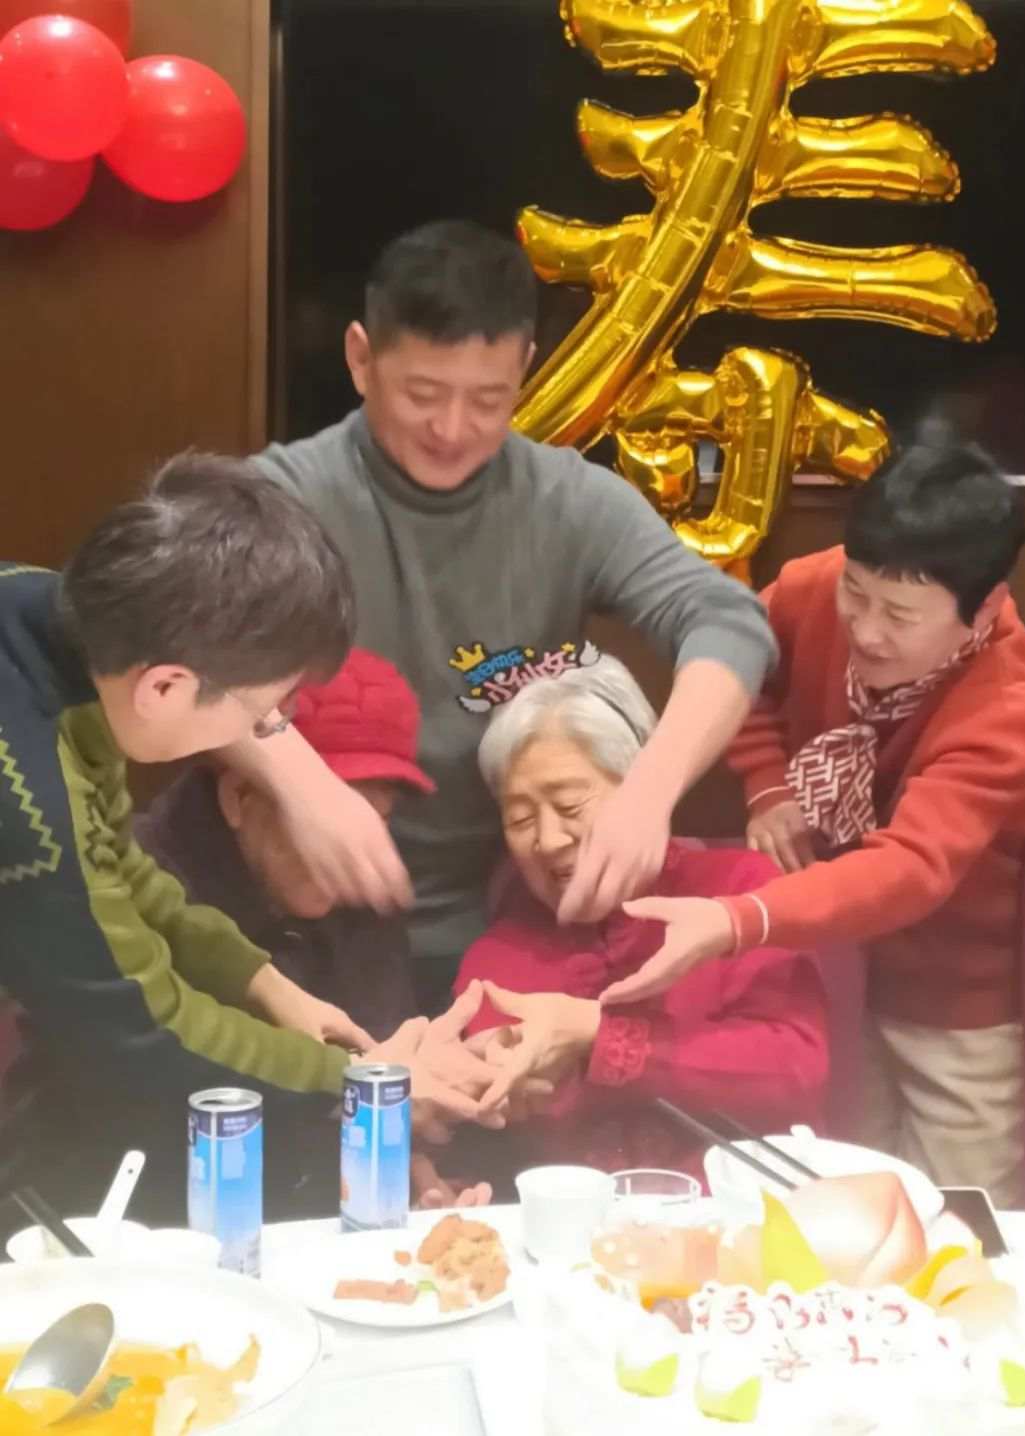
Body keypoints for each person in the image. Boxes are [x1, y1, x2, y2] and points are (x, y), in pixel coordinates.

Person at [244, 219, 776, 1015]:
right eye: (423, 395)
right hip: (306, 920)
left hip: (509, 923)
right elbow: (172, 649)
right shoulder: (286, 495)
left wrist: (647, 794)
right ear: (360, 358)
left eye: (487, 400)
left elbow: (729, 621)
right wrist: (301, 786)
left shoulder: (568, 501)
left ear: (525, 367)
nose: (452, 429)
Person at [0, 456, 496, 1231]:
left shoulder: (47, 609)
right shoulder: (31, 805)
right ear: (165, 688)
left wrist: (265, 982)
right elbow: (146, 1028)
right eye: (264, 715)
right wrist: (352, 1078)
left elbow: (117, 864)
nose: (264, 735)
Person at [601, 442, 1025, 1206]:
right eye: (858, 593)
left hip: (957, 1001)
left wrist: (736, 920)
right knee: (839, 1201)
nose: (866, 630)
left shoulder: (1008, 707)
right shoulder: (815, 589)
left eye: (900, 615)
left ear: (981, 608)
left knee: (955, 1218)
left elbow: (909, 867)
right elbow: (740, 670)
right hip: (831, 968)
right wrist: (766, 784)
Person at [448, 657, 828, 1185]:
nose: (548, 840)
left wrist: (597, 1035)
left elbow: (796, 1073)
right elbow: (491, 1121)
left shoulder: (740, 890)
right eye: (521, 818)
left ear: (644, 792)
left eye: (569, 805)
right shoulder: (499, 957)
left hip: (746, 1213)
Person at [135, 648, 432, 1040]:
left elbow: (385, 1038)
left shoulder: (366, 874)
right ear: (237, 796)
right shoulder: (132, 879)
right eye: (332, 822)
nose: (349, 855)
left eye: (380, 817)